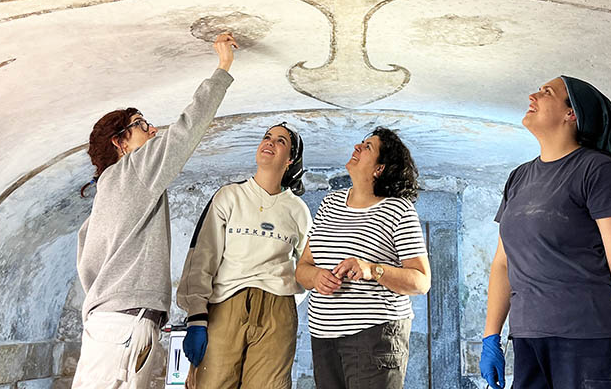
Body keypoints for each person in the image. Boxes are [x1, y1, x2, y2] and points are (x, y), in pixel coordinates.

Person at [72, 32, 239, 389]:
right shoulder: (131, 172)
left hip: (119, 325)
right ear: (120, 143)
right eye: (142, 126)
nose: (152, 131)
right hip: (123, 327)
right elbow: (185, 131)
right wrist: (222, 68)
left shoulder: (107, 195)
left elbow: (89, 268)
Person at [479, 76, 611, 389]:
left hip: (591, 339)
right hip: (528, 339)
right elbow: (502, 264)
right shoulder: (518, 178)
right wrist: (490, 337)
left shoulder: (599, 171)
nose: (533, 94)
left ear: (571, 113)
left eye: (547, 92)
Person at [176, 122, 312, 389]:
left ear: (290, 160)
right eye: (267, 137)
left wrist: (285, 302)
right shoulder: (230, 196)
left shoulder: (298, 211)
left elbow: (306, 266)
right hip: (226, 303)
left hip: (278, 310)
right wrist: (196, 316)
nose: (270, 143)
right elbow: (203, 256)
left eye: (280, 141)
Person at [295, 127, 431, 389]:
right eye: (360, 143)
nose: (357, 147)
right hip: (323, 337)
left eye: (367, 147)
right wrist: (315, 277)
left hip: (374, 336)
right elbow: (303, 268)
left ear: (380, 168)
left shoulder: (398, 209)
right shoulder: (330, 203)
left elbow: (421, 281)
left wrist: (372, 270)